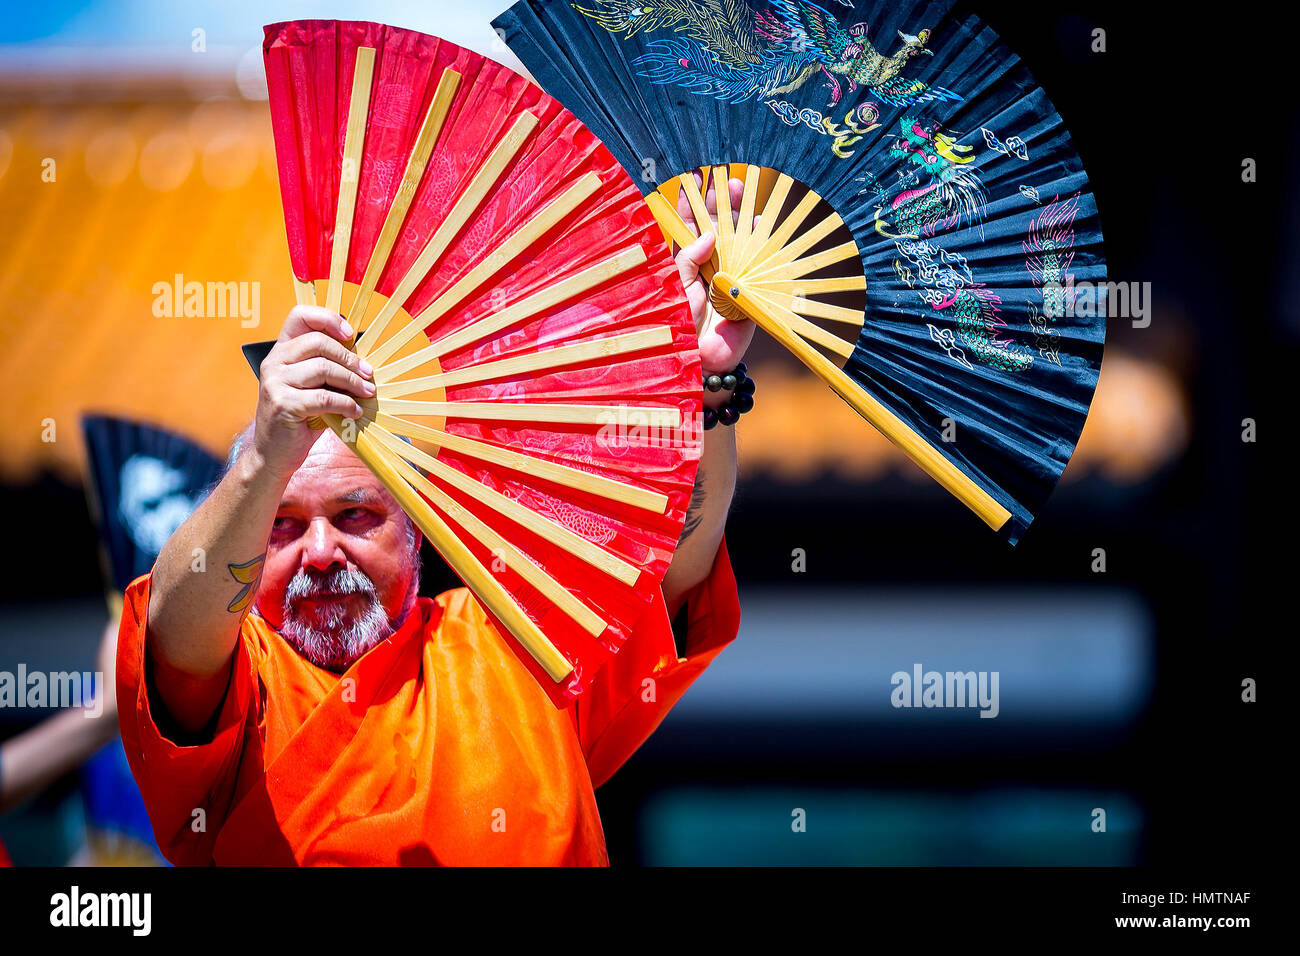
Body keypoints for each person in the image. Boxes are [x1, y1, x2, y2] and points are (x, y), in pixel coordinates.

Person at [117, 180, 755, 865]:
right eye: (282, 524)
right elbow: (172, 630)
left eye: (355, 514)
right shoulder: (242, 691)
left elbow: (673, 568)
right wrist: (264, 462)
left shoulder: (517, 646)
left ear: (416, 524)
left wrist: (702, 383)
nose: (322, 551)